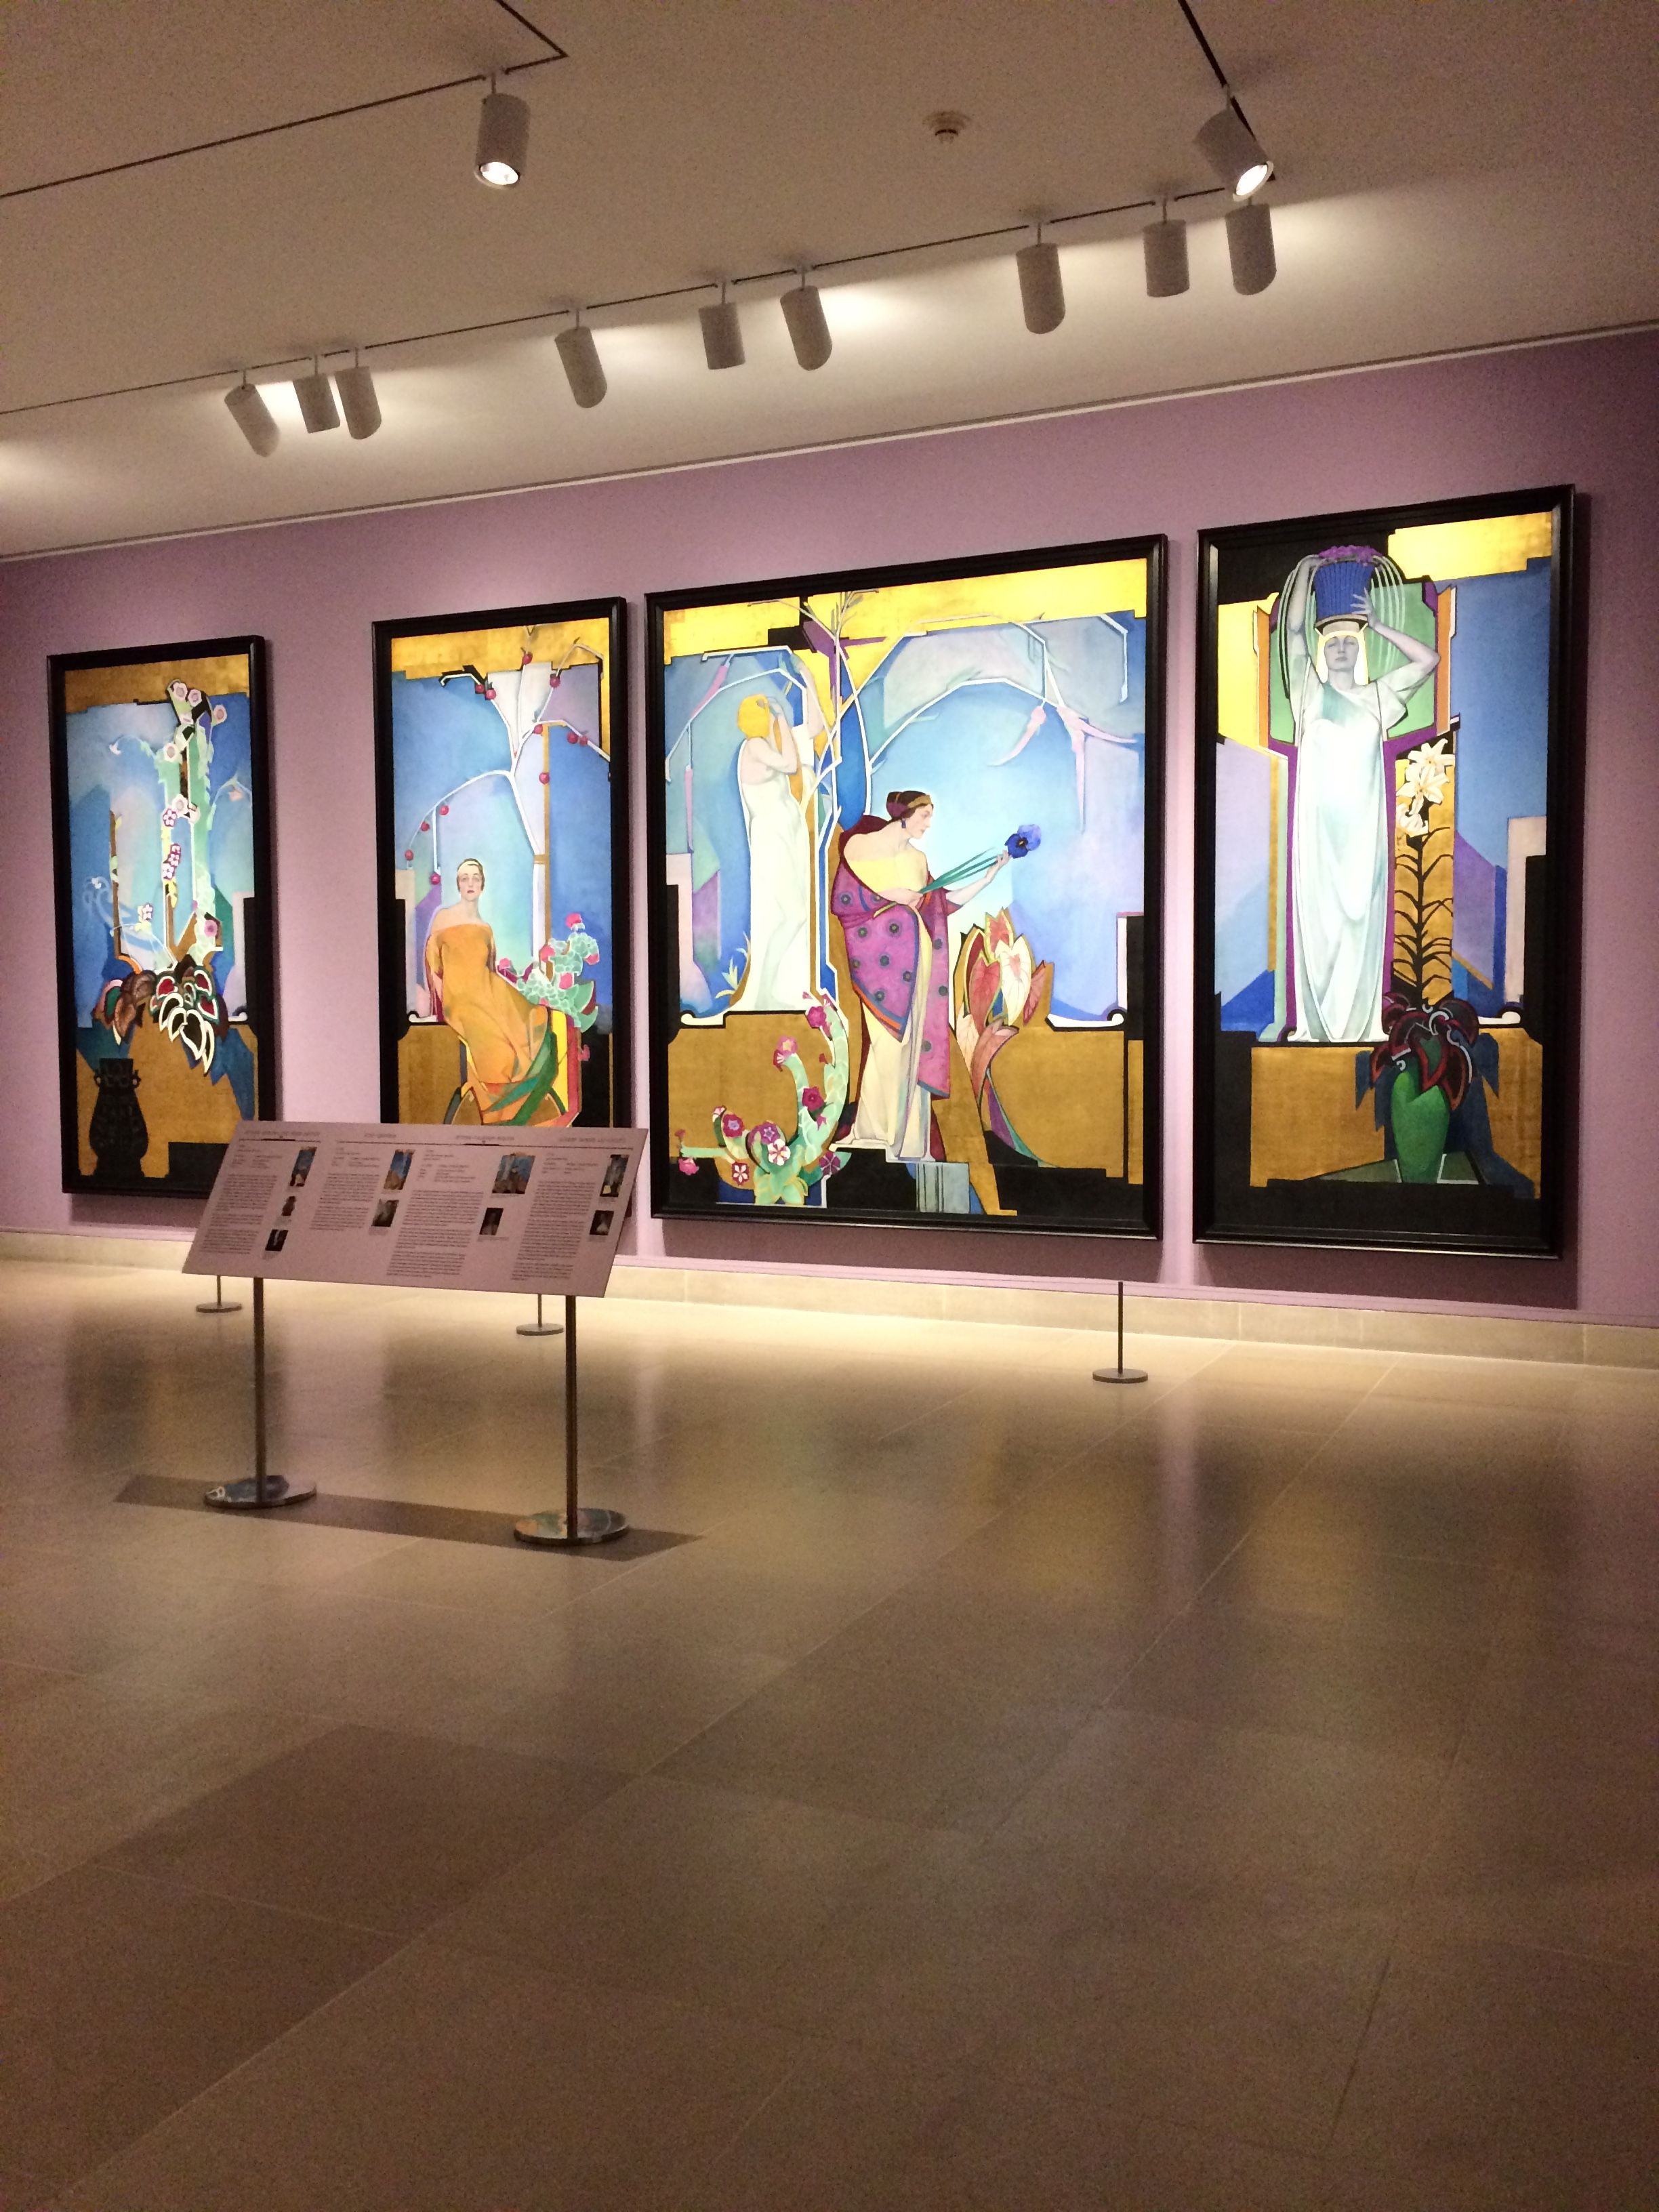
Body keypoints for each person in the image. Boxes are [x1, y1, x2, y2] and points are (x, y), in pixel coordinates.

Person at [1279, 548, 1439, 1044]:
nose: (1342, 649)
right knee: (1321, 933)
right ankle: (1317, 1027)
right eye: (1334, 643)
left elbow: (1428, 660)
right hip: (1319, 842)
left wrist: (1379, 625)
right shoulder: (1309, 694)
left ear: (1361, 646)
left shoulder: (1377, 699)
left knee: (1360, 932)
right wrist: (1304, 574)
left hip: (1362, 841)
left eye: (1351, 641)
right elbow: (1293, 635)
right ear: (1324, 651)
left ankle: (1359, 1027)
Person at [833, 791, 1007, 1160]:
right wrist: (890, 895)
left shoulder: (918, 859)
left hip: (919, 959)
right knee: (886, 1045)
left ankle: (908, 1143)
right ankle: (875, 1133)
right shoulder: (860, 847)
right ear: (904, 814)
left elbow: (941, 904)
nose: (929, 824)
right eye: (924, 815)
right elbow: (844, 902)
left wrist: (987, 879)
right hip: (878, 961)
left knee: (913, 1047)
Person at [424, 858, 568, 1123]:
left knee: (530, 1021)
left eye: (475, 878)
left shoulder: (486, 929)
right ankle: (499, 1116)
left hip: (489, 993)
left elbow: (490, 969)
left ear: (482, 885)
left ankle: (523, 1109)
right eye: (465, 878)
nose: (470, 883)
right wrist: (444, 1006)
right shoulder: (443, 919)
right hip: (461, 1001)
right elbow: (435, 968)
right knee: (499, 1054)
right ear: (458, 885)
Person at [730, 693, 815, 1010]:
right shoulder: (754, 746)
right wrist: (782, 719)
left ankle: (767, 991)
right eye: (766, 713)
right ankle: (763, 991)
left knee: (790, 914)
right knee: (793, 913)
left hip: (782, 834)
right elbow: (791, 765)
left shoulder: (762, 745)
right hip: (772, 838)